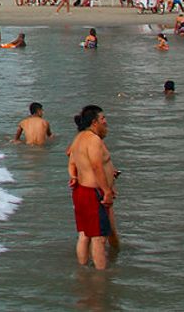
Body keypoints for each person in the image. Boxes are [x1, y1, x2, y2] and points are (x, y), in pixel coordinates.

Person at [66, 105, 117, 269]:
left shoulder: (79, 137)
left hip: (81, 191)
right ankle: (101, 280)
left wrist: (74, 176)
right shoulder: (93, 140)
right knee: (99, 238)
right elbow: (96, 166)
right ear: (95, 122)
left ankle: (83, 272)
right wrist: (107, 191)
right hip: (93, 193)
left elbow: (72, 161)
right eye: (103, 119)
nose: (105, 121)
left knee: (84, 235)